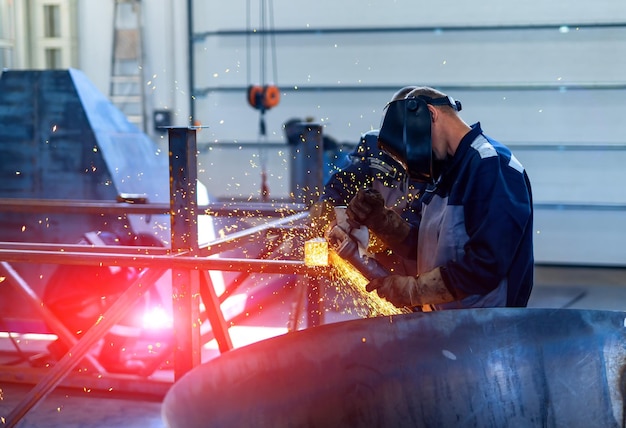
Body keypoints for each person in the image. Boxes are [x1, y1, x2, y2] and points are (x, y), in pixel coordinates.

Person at [346, 86, 533, 310]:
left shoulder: (490, 165)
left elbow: (488, 265)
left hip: (485, 328)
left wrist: (414, 290)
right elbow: (430, 247)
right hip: (448, 324)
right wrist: (381, 222)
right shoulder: (445, 171)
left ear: (431, 114)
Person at [308, 86, 425, 275]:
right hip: (381, 253)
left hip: (416, 256)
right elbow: (345, 182)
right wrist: (328, 208)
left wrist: (387, 232)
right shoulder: (373, 144)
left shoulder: (434, 156)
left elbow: (420, 228)